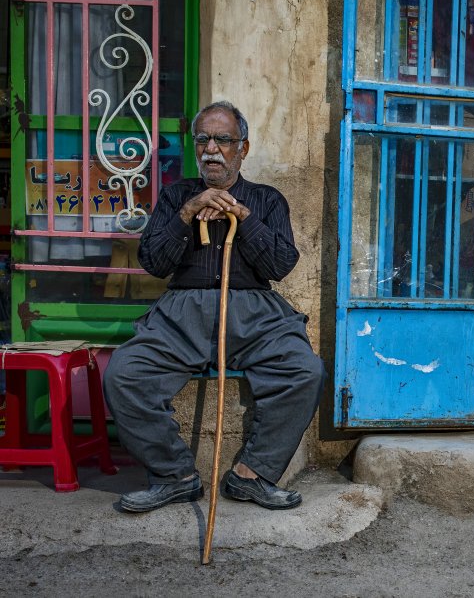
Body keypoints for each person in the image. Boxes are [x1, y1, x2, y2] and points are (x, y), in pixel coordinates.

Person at [103, 100, 326, 513]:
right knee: (124, 374)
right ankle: (176, 476)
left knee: (305, 370)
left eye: (223, 140)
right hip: (180, 316)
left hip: (255, 314)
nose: (211, 149)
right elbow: (154, 263)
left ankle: (251, 475)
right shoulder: (175, 196)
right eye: (203, 139)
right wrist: (186, 214)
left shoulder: (267, 199)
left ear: (243, 148)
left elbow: (280, 265)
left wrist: (244, 218)